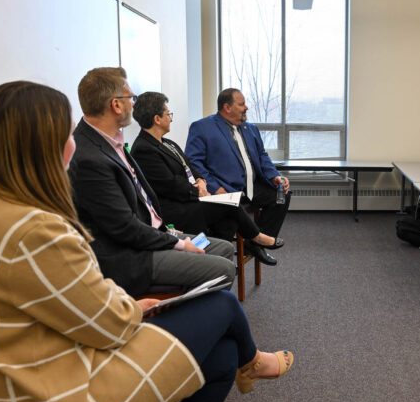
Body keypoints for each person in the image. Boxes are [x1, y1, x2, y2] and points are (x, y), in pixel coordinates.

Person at [0, 81, 294, 402]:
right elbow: (107, 326)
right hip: (62, 397)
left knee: (222, 355)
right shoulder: (36, 230)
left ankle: (245, 365)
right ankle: (253, 361)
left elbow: (75, 302)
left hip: (42, 368)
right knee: (222, 306)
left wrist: (129, 306)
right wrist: (134, 307)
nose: (73, 142)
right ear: (43, 147)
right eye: (67, 133)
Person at [69, 67, 235, 297]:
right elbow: (124, 228)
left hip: (157, 234)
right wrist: (177, 243)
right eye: (131, 98)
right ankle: (187, 322)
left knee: (224, 248)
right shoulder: (89, 157)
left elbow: (144, 201)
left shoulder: (111, 141)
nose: (134, 105)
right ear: (116, 105)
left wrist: (171, 234)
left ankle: (200, 310)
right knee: (224, 268)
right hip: (133, 255)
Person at [130, 91, 283, 266]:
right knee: (229, 205)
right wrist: (199, 190)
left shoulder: (167, 143)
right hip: (176, 207)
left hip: (193, 196)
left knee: (228, 217)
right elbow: (170, 185)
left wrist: (201, 180)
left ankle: (217, 259)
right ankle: (253, 239)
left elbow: (191, 167)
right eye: (168, 114)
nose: (171, 118)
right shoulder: (144, 149)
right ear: (157, 119)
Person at [185, 88, 290, 239]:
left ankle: (257, 242)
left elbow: (262, 156)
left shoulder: (251, 129)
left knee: (281, 196)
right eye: (241, 104)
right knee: (227, 223)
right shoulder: (202, 128)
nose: (246, 107)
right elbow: (194, 162)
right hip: (227, 189)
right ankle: (233, 252)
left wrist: (274, 176)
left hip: (252, 187)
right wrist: (215, 188)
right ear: (227, 108)